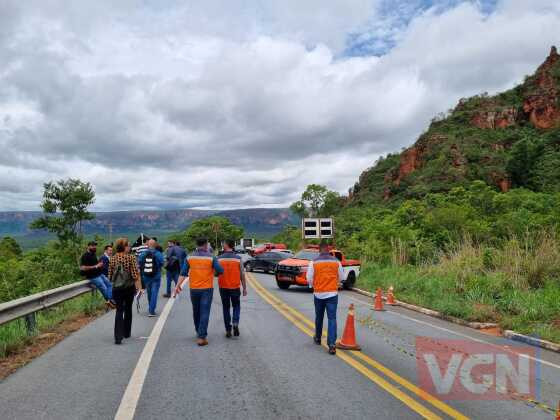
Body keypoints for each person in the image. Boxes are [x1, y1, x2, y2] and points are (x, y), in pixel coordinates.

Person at [175, 237, 223, 346]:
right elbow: (220, 270)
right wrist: (214, 273)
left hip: (194, 289)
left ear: (196, 244)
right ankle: (202, 337)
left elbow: (183, 273)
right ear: (206, 245)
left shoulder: (190, 256)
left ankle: (198, 331)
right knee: (204, 311)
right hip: (206, 289)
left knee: (196, 311)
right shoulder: (211, 257)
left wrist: (177, 285)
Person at [306, 241, 344, 355]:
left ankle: (318, 337)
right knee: (332, 318)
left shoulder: (314, 262)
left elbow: (309, 278)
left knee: (319, 317)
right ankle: (332, 344)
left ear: (319, 250)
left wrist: (313, 285)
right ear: (328, 249)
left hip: (318, 294)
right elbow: (342, 277)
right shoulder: (336, 262)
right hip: (332, 294)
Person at [109, 238, 143, 345]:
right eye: (128, 245)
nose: (129, 247)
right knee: (128, 309)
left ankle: (117, 336)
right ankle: (126, 333)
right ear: (123, 247)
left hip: (116, 289)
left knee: (119, 310)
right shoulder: (131, 258)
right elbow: (134, 275)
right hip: (128, 288)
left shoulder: (112, 258)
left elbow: (109, 277)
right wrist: (139, 287)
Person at [217, 239, 247, 338]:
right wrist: (244, 288)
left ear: (226, 245)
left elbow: (216, 273)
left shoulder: (219, 258)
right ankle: (235, 322)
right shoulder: (238, 258)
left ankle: (228, 330)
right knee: (236, 306)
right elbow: (242, 274)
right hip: (235, 287)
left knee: (226, 308)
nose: (222, 244)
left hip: (223, 287)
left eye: (223, 243)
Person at [80, 241, 115, 308]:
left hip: (99, 274)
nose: (94, 247)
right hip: (93, 276)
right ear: (89, 246)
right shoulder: (85, 256)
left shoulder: (93, 254)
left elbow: (97, 265)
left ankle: (110, 300)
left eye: (95, 246)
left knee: (110, 285)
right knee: (104, 288)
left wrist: (100, 266)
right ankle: (111, 301)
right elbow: (83, 268)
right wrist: (96, 266)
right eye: (93, 246)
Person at [138, 239, 164, 317]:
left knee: (149, 292)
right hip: (156, 276)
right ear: (155, 245)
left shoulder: (143, 253)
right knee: (154, 292)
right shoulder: (158, 253)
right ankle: (151, 310)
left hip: (146, 276)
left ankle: (150, 307)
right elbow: (162, 262)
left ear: (147, 245)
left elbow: (139, 262)